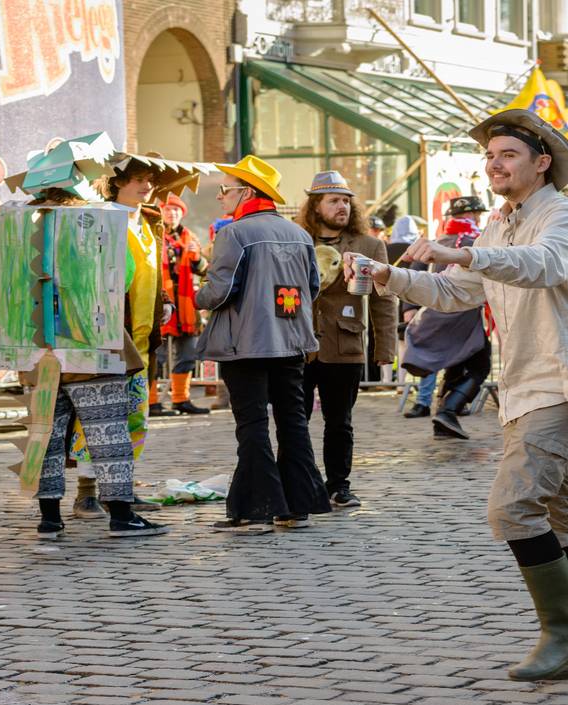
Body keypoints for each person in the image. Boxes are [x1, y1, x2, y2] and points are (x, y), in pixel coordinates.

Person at [357, 110, 568, 682]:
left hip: (563, 381)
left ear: (541, 162)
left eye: (508, 155)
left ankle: (562, 637)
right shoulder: (499, 224)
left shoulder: (566, 216)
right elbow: (458, 293)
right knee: (560, 519)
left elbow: (544, 265)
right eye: (490, 156)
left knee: (512, 508)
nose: (495, 164)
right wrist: (391, 278)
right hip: (524, 386)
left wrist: (466, 254)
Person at [9, 139, 170, 539]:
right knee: (108, 430)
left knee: (46, 432)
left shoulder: (21, 220)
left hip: (37, 345)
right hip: (91, 343)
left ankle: (49, 518)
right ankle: (120, 515)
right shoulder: (94, 219)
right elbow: (125, 274)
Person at [196, 156, 332, 533]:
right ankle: (297, 505)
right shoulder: (300, 234)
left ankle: (255, 509)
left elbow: (221, 291)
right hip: (291, 343)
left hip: (247, 344)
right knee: (293, 423)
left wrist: (197, 297)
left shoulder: (234, 233)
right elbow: (313, 288)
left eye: (226, 190)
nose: (222, 197)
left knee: (252, 424)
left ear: (247, 193)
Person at [296, 171, 398, 508]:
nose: (342, 207)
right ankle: (300, 484)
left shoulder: (369, 245)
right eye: (334, 201)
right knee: (294, 421)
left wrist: (384, 348)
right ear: (316, 206)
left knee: (340, 422)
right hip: (299, 344)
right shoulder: (296, 240)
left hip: (345, 344)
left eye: (346, 201)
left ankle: (338, 485)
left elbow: (384, 299)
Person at [400, 195, 492, 434]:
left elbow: (414, 274)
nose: (479, 217)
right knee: (480, 364)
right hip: (462, 314)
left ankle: (444, 416)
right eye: (478, 214)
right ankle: (449, 409)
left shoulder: (437, 240)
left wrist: (409, 310)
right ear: (471, 215)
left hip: (435, 312)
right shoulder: (474, 241)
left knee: (456, 362)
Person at [152, 193, 210, 416]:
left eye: (176, 210)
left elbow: (205, 269)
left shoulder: (190, 238)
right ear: (161, 212)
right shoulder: (154, 235)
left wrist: (197, 259)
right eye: (168, 209)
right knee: (157, 357)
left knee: (187, 354)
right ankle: (152, 403)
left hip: (186, 307)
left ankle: (180, 399)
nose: (172, 213)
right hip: (160, 304)